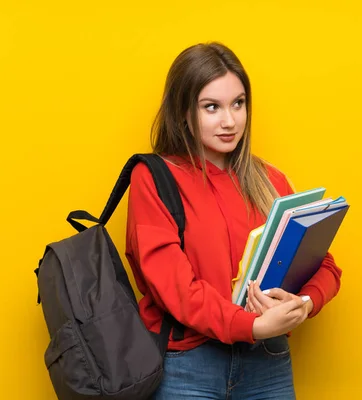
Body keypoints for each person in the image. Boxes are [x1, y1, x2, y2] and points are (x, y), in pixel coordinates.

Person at [125, 41, 342, 400]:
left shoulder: (269, 180)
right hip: (188, 367)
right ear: (183, 113)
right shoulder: (155, 178)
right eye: (212, 107)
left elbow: (325, 266)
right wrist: (252, 324)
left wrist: (302, 305)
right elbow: (175, 289)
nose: (230, 121)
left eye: (238, 104)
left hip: (267, 363)